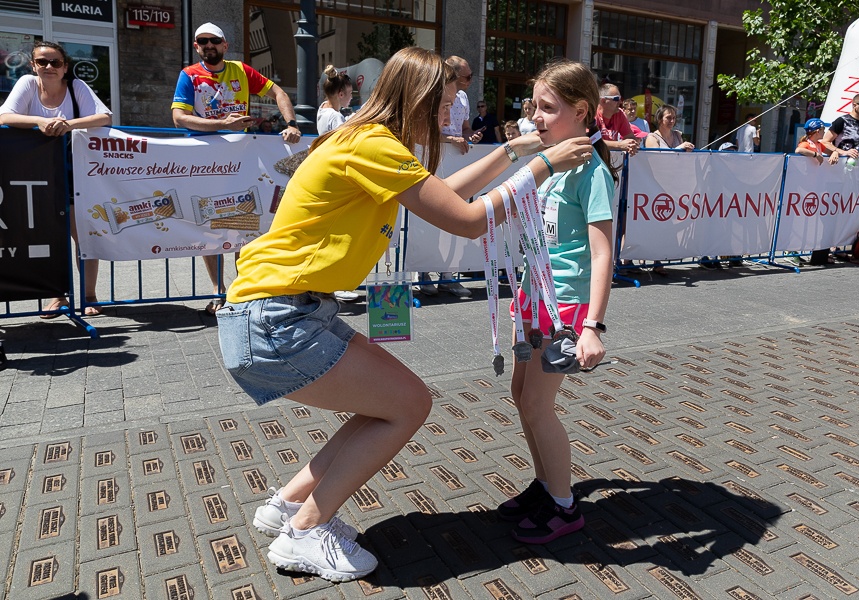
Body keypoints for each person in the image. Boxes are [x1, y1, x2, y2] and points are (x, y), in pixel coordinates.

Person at [219, 47, 591, 581]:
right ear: (415, 98)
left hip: (283, 313)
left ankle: (286, 506)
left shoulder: (369, 141)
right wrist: (542, 164)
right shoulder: (372, 144)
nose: (449, 114)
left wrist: (511, 152)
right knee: (409, 404)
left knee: (389, 406)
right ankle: (305, 532)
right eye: (443, 103)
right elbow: (465, 221)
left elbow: (449, 198)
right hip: (276, 320)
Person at [499, 59, 615, 544]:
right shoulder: (551, 164)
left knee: (538, 406)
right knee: (520, 396)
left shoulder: (591, 171)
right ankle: (546, 486)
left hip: (566, 308)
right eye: (534, 107)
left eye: (547, 108)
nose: (536, 118)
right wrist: (519, 305)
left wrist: (592, 325)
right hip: (535, 299)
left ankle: (565, 507)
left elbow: (603, 250)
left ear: (581, 111)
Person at [171, 22, 301, 315]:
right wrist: (222, 124)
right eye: (202, 41)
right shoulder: (189, 75)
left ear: (225, 45)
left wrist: (291, 124)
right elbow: (180, 118)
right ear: (196, 46)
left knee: (245, 225)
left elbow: (278, 92)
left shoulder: (241, 70)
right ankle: (219, 292)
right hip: (204, 163)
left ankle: (244, 289)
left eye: (214, 40)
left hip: (240, 162)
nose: (208, 46)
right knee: (210, 228)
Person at [0, 40, 113, 318]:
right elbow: (4, 115)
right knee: (45, 235)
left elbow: (104, 117)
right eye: (42, 62)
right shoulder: (27, 83)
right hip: (35, 173)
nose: (49, 67)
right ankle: (57, 297)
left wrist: (68, 125)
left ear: (65, 67)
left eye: (56, 62)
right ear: (33, 65)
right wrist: (38, 122)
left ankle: (88, 295)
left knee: (83, 235)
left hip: (75, 171)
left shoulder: (76, 87)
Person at [422, 54, 482, 298]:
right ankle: (424, 274)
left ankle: (448, 276)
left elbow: (464, 128)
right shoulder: (434, 94)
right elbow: (424, 131)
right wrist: (450, 139)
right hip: (435, 159)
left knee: (456, 216)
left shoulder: (464, 97)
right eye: (467, 76)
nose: (470, 80)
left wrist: (470, 136)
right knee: (428, 219)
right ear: (453, 75)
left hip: (455, 161)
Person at [316, 65, 361, 302]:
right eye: (350, 93)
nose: (352, 97)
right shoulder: (334, 116)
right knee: (337, 234)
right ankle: (335, 284)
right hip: (337, 176)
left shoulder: (324, 112)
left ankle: (330, 284)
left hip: (329, 174)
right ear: (341, 93)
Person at [644, 104, 693, 273]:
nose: (672, 121)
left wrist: (687, 151)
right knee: (653, 221)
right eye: (668, 118)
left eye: (674, 118)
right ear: (659, 120)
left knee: (669, 223)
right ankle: (629, 260)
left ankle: (659, 260)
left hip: (674, 184)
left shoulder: (678, 135)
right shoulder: (652, 137)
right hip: (655, 185)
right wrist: (678, 149)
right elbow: (655, 159)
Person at [796, 118, 835, 266]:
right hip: (805, 189)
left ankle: (816, 254)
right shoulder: (808, 143)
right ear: (817, 131)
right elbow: (798, 150)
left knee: (815, 222)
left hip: (816, 188)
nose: (824, 132)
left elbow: (833, 150)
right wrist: (815, 155)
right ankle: (795, 252)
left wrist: (835, 153)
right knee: (802, 221)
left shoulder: (819, 144)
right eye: (823, 130)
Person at [821, 93, 859, 164]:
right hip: (838, 164)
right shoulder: (842, 121)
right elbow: (824, 142)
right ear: (855, 105)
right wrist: (842, 152)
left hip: (856, 167)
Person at [593, 83, 639, 156]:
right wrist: (619, 145)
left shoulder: (619, 113)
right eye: (616, 99)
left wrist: (632, 144)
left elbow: (629, 136)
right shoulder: (593, 114)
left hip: (611, 159)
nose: (620, 102)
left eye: (620, 99)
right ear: (603, 101)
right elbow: (592, 141)